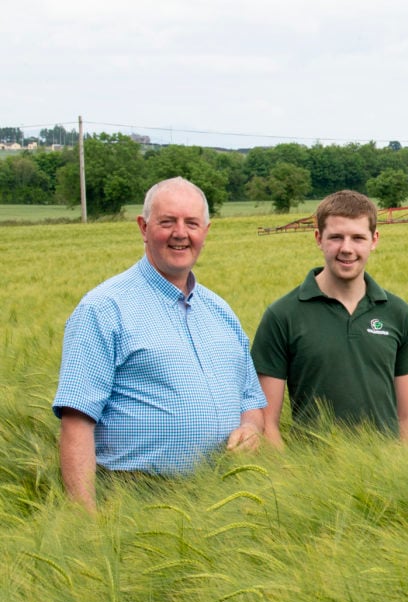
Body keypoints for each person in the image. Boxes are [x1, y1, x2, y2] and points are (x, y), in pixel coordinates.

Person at [52, 177, 267, 512]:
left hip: (224, 498)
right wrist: (86, 520)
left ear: (205, 232)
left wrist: (251, 428)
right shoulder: (104, 308)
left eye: (191, 223)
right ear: (143, 227)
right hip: (138, 502)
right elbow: (77, 421)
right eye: (167, 222)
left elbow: (251, 401)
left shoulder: (221, 312)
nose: (180, 233)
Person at [251, 190, 408, 445]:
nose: (346, 248)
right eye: (336, 237)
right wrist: (293, 480)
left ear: (374, 240)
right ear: (318, 238)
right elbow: (267, 424)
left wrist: (407, 472)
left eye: (357, 238)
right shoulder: (282, 315)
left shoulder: (398, 313)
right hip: (313, 477)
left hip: (387, 475)